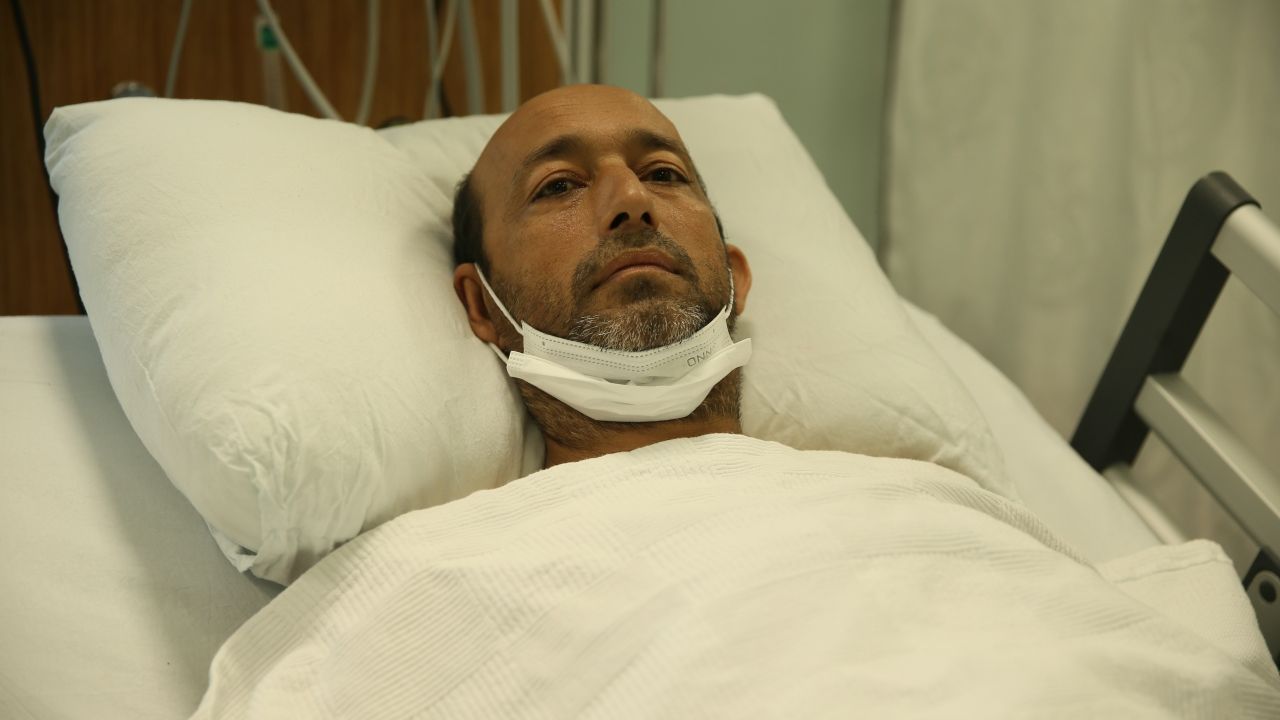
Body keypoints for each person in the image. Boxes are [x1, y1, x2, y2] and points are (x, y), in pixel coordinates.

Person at [451, 83, 754, 468]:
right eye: (558, 185)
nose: (632, 199)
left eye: (663, 174)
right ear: (481, 304)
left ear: (735, 274)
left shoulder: (836, 486)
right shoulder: (467, 516)